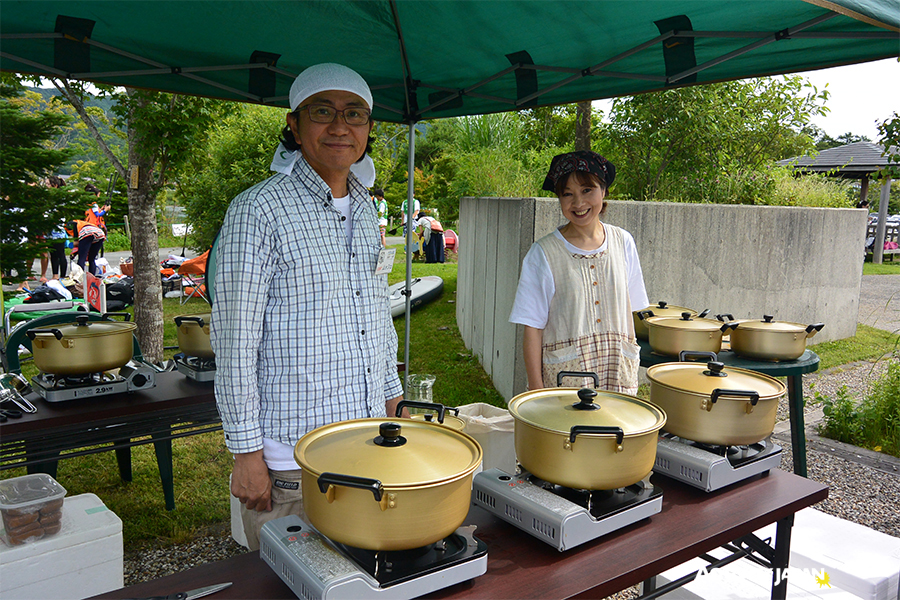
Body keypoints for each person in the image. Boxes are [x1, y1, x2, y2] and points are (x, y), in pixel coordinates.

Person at [211, 63, 404, 550]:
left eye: (354, 114)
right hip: (290, 459)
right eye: (323, 112)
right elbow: (234, 342)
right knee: (294, 580)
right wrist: (245, 453)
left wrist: (392, 396)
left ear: (368, 129)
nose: (340, 126)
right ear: (294, 126)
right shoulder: (257, 210)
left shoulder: (364, 208)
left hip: (363, 444)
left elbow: (374, 313)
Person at [509, 150, 649, 395]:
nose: (578, 203)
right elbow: (532, 327)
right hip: (566, 381)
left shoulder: (623, 242)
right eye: (567, 194)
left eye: (587, 190)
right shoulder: (542, 253)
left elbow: (633, 311)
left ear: (603, 191)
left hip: (616, 374)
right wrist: (536, 389)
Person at [84, 183, 110, 257]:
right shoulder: (94, 204)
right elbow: (98, 215)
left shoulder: (88, 203)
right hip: (94, 226)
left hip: (88, 225)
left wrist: (101, 209)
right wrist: (105, 210)